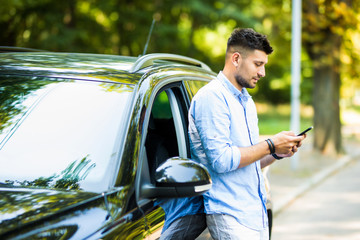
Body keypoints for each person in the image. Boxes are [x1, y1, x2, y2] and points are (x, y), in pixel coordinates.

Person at [188, 28, 306, 240]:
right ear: (236, 59)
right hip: (230, 216)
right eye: (258, 64)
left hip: (254, 213)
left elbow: (247, 160)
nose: (262, 73)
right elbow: (221, 161)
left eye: (264, 65)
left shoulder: (245, 101)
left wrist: (279, 151)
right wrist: (270, 144)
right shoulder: (212, 98)